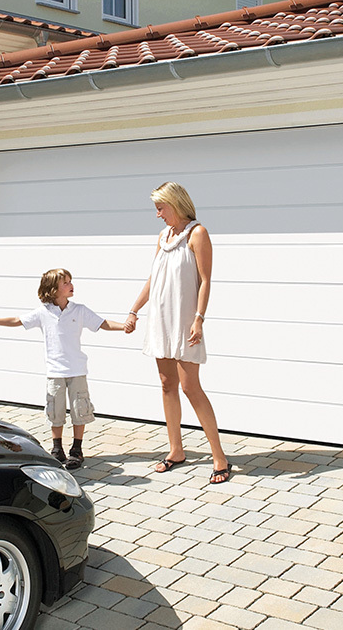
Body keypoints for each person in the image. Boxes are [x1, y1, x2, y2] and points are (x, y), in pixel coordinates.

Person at [125, 182, 231, 484]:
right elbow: (153, 277)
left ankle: (219, 457)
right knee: (166, 384)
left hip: (185, 320)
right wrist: (134, 309)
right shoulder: (163, 236)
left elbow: (206, 280)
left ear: (175, 203)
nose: (157, 214)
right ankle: (176, 450)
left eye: (160, 208)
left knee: (190, 387)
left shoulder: (197, 233)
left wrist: (199, 319)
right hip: (160, 318)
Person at [0, 268, 125, 469]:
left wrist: (124, 326)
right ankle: (57, 449)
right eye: (66, 283)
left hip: (77, 370)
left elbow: (102, 323)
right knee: (56, 410)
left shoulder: (79, 310)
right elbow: (18, 321)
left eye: (71, 282)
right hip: (55, 372)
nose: (72, 285)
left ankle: (77, 450)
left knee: (80, 409)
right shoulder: (43, 313)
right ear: (53, 289)